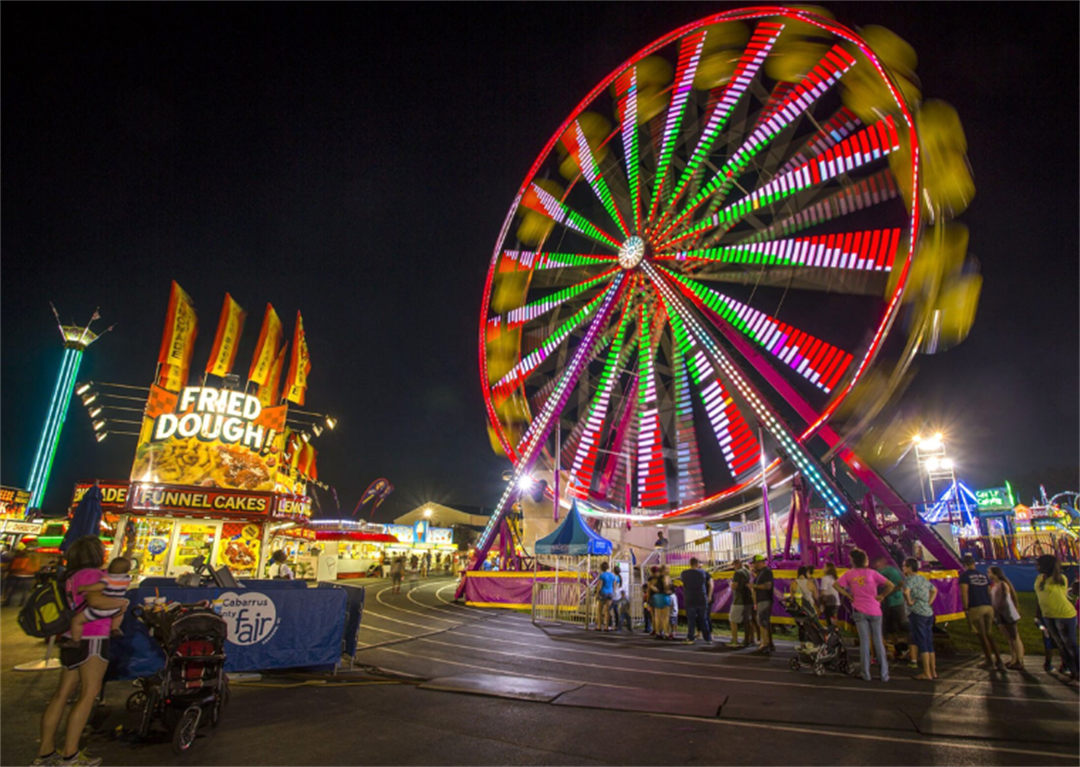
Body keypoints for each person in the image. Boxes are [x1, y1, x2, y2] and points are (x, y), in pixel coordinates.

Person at [34, 536, 128, 767]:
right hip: (92, 636)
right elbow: (97, 602)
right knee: (88, 694)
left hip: (72, 638)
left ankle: (46, 753)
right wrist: (122, 603)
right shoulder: (93, 575)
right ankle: (70, 755)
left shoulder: (70, 577)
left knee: (61, 694)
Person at [834, 548, 894, 682]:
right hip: (875, 610)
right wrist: (882, 596)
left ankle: (865, 673)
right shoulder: (873, 573)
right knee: (878, 641)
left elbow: (836, 585)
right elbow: (890, 585)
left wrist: (848, 595)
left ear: (853, 561)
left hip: (859, 609)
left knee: (864, 642)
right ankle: (884, 674)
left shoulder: (849, 574)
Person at [1034, 554, 1079, 679]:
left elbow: (1061, 596)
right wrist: (1038, 615)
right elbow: (1040, 597)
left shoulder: (1060, 578)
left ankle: (1078, 669)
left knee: (1070, 644)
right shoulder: (1039, 579)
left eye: (1039, 564)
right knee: (1061, 645)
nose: (1036, 567)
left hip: (1064, 615)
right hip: (1048, 616)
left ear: (1046, 566)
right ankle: (1072, 670)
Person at [69, 557, 131, 641]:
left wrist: (84, 588)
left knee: (77, 621)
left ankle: (75, 640)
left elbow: (98, 591)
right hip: (115, 609)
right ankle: (115, 628)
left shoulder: (106, 578)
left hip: (100, 612)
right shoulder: (126, 578)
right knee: (119, 615)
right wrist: (123, 603)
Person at [959, 555, 1004, 670]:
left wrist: (965, 608)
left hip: (976, 606)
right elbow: (989, 592)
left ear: (964, 564)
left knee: (982, 635)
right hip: (988, 606)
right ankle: (999, 660)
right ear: (974, 564)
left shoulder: (964, 577)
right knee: (989, 634)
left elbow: (964, 593)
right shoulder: (984, 576)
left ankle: (989, 661)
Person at [902, 557, 937, 680]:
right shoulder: (923, 578)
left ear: (909, 568)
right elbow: (934, 590)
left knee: (921, 642)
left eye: (904, 566)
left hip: (917, 613)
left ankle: (926, 673)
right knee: (929, 642)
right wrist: (929, 602)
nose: (903, 568)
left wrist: (909, 602)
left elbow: (906, 592)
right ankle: (933, 671)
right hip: (928, 613)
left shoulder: (909, 580)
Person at [988, 565, 1024, 670]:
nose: (988, 574)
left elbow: (1002, 600)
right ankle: (1013, 658)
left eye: (989, 572)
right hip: (999, 614)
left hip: (1007, 614)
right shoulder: (995, 585)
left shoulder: (1003, 584)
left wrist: (996, 610)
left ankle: (1020, 660)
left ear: (995, 574)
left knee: (1014, 637)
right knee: (1009, 638)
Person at [874, 556, 907, 661]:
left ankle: (903, 648)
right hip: (888, 603)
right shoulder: (878, 571)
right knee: (890, 629)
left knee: (896, 627)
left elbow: (900, 583)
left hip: (894, 602)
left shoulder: (890, 571)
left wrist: (888, 593)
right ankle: (897, 649)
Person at [680, 558, 712, 644]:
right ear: (697, 564)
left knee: (691, 620)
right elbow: (710, 584)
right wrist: (709, 596)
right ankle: (708, 638)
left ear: (690, 563)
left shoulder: (684, 573)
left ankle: (690, 637)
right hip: (701, 598)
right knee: (703, 619)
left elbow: (684, 583)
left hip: (689, 599)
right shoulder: (703, 573)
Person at [750, 555, 775, 654]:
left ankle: (765, 644)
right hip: (762, 600)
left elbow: (768, 586)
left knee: (762, 622)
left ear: (760, 562)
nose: (754, 565)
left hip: (764, 600)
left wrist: (754, 585)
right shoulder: (762, 573)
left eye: (755, 563)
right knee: (764, 622)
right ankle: (768, 643)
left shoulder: (766, 572)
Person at [790, 566, 819, 643]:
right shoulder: (810, 583)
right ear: (806, 573)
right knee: (812, 627)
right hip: (810, 609)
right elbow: (816, 596)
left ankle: (802, 644)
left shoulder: (793, 583)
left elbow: (791, 599)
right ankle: (812, 643)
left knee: (801, 628)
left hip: (799, 610)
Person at [729, 559, 754, 646]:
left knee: (733, 620)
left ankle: (735, 640)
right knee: (747, 621)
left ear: (737, 564)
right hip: (748, 598)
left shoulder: (738, 573)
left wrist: (731, 585)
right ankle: (750, 639)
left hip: (739, 599)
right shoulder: (748, 572)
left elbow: (734, 586)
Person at [651, 565, 675, 639]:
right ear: (664, 570)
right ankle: (666, 633)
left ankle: (658, 632)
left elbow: (651, 585)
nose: (669, 570)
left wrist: (656, 590)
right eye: (668, 569)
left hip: (657, 597)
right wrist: (667, 590)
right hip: (664, 597)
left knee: (657, 616)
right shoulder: (666, 577)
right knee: (665, 617)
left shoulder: (656, 577)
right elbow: (666, 585)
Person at [595, 561, 617, 631]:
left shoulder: (602, 575)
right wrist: (613, 592)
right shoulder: (612, 575)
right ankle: (606, 627)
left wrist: (597, 594)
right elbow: (614, 586)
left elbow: (599, 586)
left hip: (603, 593)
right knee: (607, 611)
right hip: (610, 593)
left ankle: (599, 626)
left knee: (599, 610)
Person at [819, 562, 841, 627]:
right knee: (834, 622)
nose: (823, 568)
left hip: (829, 603)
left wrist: (821, 603)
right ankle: (836, 635)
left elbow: (823, 592)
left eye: (824, 567)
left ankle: (832, 635)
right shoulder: (835, 578)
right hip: (836, 603)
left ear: (828, 568)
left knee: (830, 623)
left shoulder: (825, 578)